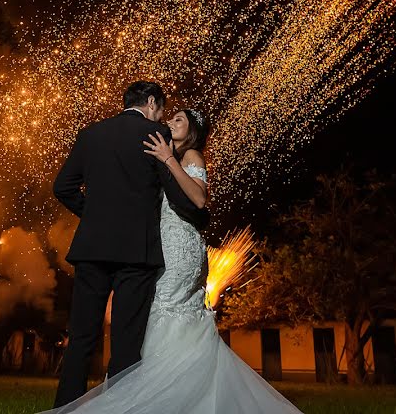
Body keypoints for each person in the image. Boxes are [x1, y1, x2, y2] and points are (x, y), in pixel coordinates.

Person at [45, 99, 303, 413]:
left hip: (180, 249)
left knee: (164, 309)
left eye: (179, 120)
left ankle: (156, 397)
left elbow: (198, 198)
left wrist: (169, 160)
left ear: (191, 132)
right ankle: (162, 393)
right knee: (153, 315)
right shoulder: (164, 156)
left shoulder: (190, 155)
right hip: (161, 244)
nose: (171, 122)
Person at [51, 81, 207, 408]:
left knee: (80, 338)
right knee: (125, 342)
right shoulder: (155, 134)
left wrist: (92, 215)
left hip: (92, 249)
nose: (162, 118)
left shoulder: (90, 134)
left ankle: (66, 408)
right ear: (151, 102)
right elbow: (178, 194)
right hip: (136, 253)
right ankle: (118, 409)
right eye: (162, 109)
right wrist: (192, 205)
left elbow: (63, 186)